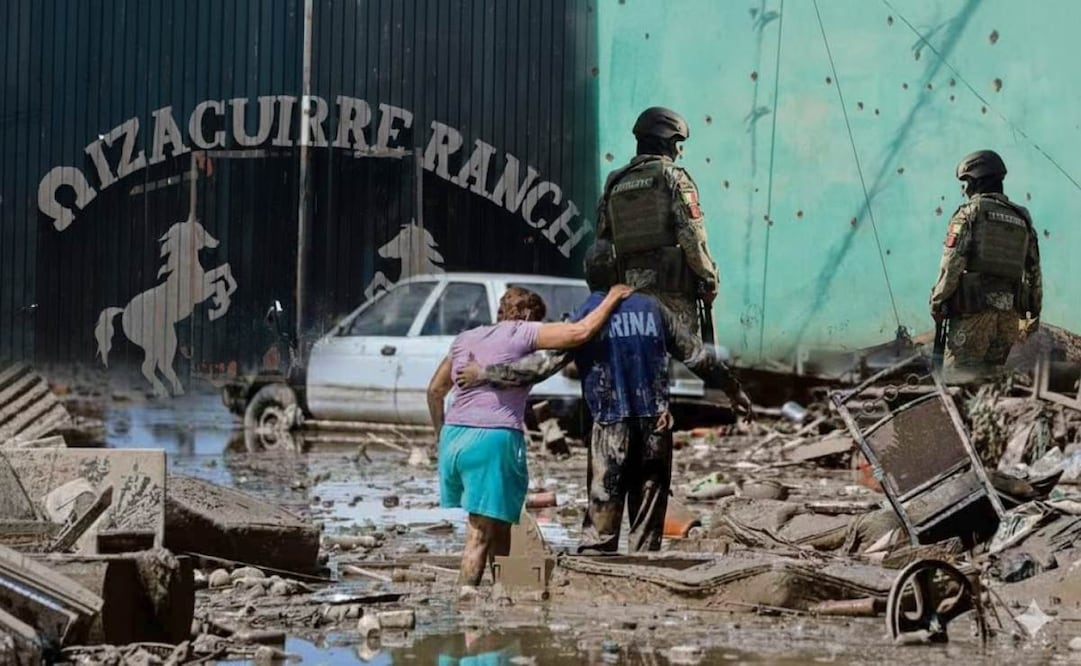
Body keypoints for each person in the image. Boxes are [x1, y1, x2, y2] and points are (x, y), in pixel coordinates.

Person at [455, 241, 752, 553]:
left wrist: (485, 373)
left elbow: (541, 366)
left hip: (610, 427)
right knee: (647, 522)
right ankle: (645, 580)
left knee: (601, 522)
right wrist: (734, 390)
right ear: (619, 272)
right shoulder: (654, 309)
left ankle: (599, 580)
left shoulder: (587, 316)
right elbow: (698, 358)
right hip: (656, 427)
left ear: (588, 276)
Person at [426, 283, 633, 587]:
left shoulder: (465, 338)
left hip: (454, 438)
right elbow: (579, 333)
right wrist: (613, 297)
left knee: (501, 522)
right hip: (492, 439)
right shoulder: (522, 332)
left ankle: (504, 592)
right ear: (526, 314)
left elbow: (434, 391)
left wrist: (440, 435)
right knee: (480, 530)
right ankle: (466, 598)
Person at [596, 106, 719, 338]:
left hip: (627, 295)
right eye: (676, 144)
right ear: (664, 141)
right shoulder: (673, 176)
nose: (678, 152)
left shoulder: (614, 182)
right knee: (682, 364)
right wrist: (709, 279)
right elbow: (692, 236)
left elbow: (602, 241)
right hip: (671, 295)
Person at [929, 150, 1042, 378]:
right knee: (991, 386)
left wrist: (938, 301)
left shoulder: (970, 213)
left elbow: (952, 263)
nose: (964, 189)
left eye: (966, 182)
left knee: (959, 382)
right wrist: (1033, 311)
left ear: (977, 180)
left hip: (974, 314)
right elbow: (1033, 271)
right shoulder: (1022, 218)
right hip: (1008, 317)